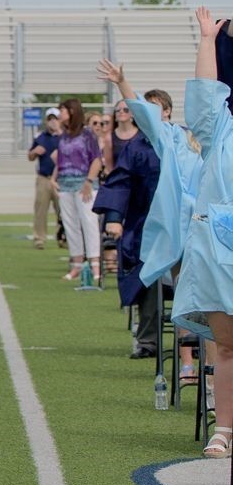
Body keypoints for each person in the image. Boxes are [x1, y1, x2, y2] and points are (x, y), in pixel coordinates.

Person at [163, 9, 233, 456]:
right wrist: (207, 40)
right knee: (227, 345)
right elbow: (206, 96)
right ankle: (224, 429)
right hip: (222, 249)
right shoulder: (221, 129)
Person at [90, 68, 162, 356]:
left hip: (185, 225)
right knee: (149, 274)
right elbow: (120, 182)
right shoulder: (137, 148)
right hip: (146, 225)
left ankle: (195, 343)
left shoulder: (184, 142)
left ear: (168, 113)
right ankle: (148, 340)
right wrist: (115, 218)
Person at [50, 98, 102, 283]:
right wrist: (53, 179)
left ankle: (95, 264)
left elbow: (96, 159)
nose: (60, 115)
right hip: (65, 184)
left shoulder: (87, 135)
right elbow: (61, 160)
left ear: (71, 112)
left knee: (89, 222)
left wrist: (89, 180)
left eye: (62, 111)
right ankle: (77, 265)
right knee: (70, 225)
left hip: (83, 184)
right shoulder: (63, 135)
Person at [26, 108, 62, 248]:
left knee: (63, 210)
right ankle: (39, 238)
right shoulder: (41, 137)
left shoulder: (64, 137)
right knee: (41, 209)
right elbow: (30, 156)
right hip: (44, 177)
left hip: (60, 178)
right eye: (50, 119)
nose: (53, 122)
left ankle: (62, 236)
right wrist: (35, 151)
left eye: (55, 118)